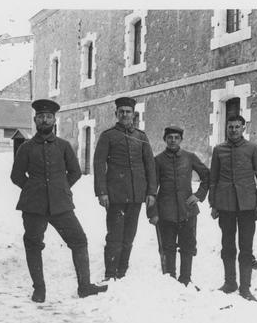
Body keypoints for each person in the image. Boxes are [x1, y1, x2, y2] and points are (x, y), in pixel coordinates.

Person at [10, 99, 107, 303]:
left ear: (54, 120)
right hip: (33, 206)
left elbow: (75, 172)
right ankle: (39, 290)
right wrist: (33, 189)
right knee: (33, 245)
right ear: (35, 120)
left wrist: (60, 189)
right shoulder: (26, 148)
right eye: (41, 117)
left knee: (79, 241)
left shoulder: (63, 146)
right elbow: (16, 176)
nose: (44, 120)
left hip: (61, 206)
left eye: (48, 117)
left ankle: (84, 286)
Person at [93, 97, 157, 280]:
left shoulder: (141, 137)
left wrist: (151, 192)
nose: (124, 114)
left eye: (128, 111)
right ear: (116, 114)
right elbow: (98, 164)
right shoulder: (108, 136)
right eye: (121, 111)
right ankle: (110, 273)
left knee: (129, 236)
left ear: (133, 114)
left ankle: (122, 272)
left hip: (137, 195)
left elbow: (150, 165)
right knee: (114, 237)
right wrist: (102, 192)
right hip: (115, 195)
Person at [209, 114, 257, 301]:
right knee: (227, 245)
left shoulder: (252, 149)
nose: (233, 130)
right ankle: (230, 282)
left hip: (247, 206)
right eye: (230, 127)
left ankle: (245, 287)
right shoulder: (219, 150)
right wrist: (214, 204)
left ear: (244, 128)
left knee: (246, 247)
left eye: (237, 127)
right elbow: (213, 179)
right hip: (225, 205)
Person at [147, 125, 209, 286]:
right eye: (170, 137)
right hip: (165, 212)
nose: (173, 140)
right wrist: (152, 213)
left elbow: (207, 176)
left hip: (187, 210)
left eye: (176, 137)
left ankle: (186, 280)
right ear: (165, 140)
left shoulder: (190, 157)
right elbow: (151, 188)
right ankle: (170, 282)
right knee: (168, 248)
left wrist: (199, 195)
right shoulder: (158, 160)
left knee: (188, 247)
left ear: (181, 140)